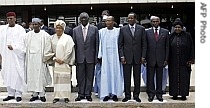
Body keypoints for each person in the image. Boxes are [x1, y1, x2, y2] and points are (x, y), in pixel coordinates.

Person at [44, 20, 75, 103]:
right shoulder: (51, 38)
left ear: (63, 28)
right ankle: (57, 96)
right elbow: (48, 50)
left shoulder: (68, 38)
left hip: (65, 63)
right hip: (56, 62)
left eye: (60, 28)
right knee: (57, 80)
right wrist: (55, 58)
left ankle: (66, 97)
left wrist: (64, 59)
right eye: (57, 28)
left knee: (65, 80)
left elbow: (70, 51)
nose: (58, 29)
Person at [118, 12, 147, 102]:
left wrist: (143, 56)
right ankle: (127, 95)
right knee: (127, 77)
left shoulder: (141, 29)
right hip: (127, 57)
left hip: (138, 57)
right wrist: (122, 56)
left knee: (137, 77)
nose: (130, 20)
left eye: (131, 18)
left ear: (135, 19)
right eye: (128, 18)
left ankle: (136, 95)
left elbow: (144, 44)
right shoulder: (123, 29)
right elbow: (120, 44)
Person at [0, 12, 27, 102]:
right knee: (7, 74)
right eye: (8, 19)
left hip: (17, 57)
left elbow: (23, 43)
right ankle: (10, 94)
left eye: (11, 18)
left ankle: (18, 94)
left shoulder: (20, 29)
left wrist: (14, 47)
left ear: (15, 19)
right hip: (6, 56)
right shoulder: (3, 29)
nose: (9, 20)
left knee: (18, 74)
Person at [73, 12, 99, 102]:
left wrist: (96, 57)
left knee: (89, 76)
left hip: (90, 57)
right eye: (82, 18)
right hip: (79, 57)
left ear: (88, 19)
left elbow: (97, 44)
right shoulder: (75, 30)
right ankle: (80, 94)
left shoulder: (94, 29)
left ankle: (88, 94)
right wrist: (74, 58)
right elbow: (74, 45)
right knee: (80, 77)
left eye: (85, 18)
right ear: (79, 19)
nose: (83, 19)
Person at [25, 18, 52, 102]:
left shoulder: (45, 35)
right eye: (33, 24)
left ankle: (42, 94)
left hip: (41, 59)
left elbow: (48, 47)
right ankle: (35, 94)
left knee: (41, 77)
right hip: (31, 60)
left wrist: (46, 57)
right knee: (32, 77)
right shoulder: (28, 35)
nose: (34, 26)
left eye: (36, 24)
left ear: (40, 25)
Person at [97, 16, 124, 102]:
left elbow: (121, 44)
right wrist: (100, 56)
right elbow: (100, 44)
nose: (107, 22)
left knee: (115, 74)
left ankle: (115, 93)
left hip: (115, 57)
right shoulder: (101, 32)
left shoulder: (118, 31)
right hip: (105, 57)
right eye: (106, 21)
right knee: (106, 75)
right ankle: (106, 94)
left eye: (109, 21)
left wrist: (121, 56)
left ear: (113, 22)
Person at [168, 20, 194, 101]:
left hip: (184, 61)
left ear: (182, 28)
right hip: (173, 61)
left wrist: (191, 59)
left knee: (184, 78)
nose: (177, 28)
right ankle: (174, 94)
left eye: (179, 27)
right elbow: (167, 48)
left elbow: (192, 47)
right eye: (175, 27)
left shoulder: (187, 36)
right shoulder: (171, 36)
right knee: (173, 77)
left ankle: (183, 94)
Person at [145, 16, 169, 102]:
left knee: (160, 77)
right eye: (153, 21)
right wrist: (144, 58)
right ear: (151, 22)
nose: (155, 23)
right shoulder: (147, 32)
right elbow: (145, 46)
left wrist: (166, 59)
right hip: (150, 58)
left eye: (156, 21)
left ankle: (159, 94)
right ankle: (151, 94)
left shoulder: (165, 32)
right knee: (150, 78)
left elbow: (167, 47)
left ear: (159, 22)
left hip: (161, 59)